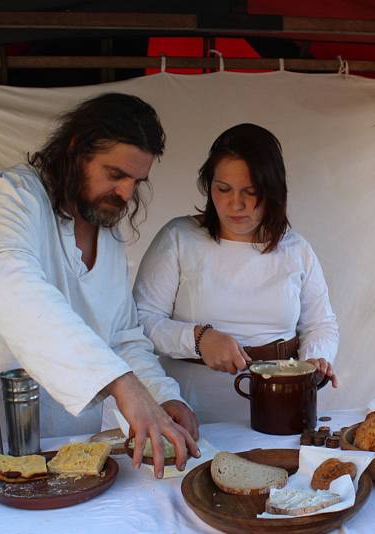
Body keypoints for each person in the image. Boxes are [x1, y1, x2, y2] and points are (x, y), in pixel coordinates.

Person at [0, 93, 199, 477]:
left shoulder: (108, 235)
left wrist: (162, 396)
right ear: (76, 150)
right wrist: (121, 384)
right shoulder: (8, 196)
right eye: (115, 174)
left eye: (136, 181)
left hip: (49, 453)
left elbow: (122, 336)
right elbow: (12, 286)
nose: (126, 193)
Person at [133, 123, 339, 423]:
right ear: (209, 186)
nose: (236, 204)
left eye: (251, 191)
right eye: (223, 189)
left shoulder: (296, 249)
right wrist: (199, 340)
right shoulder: (179, 238)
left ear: (272, 191)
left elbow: (321, 323)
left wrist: (315, 358)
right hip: (190, 407)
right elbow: (140, 320)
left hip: (280, 405)